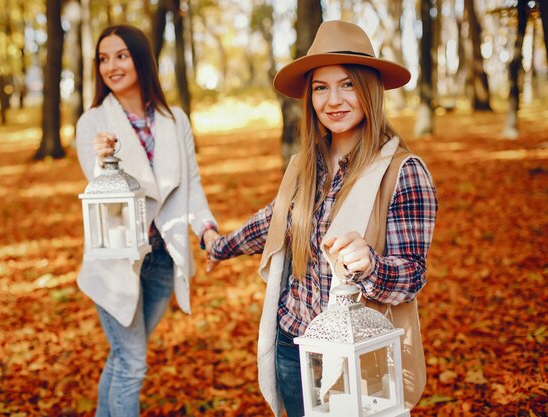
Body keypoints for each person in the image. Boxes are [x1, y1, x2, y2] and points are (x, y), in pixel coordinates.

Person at [207, 20, 438, 417]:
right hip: (291, 346)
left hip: (355, 357)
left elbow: (411, 277)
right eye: (320, 87)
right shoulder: (305, 167)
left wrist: (371, 265)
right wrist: (218, 245)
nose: (333, 99)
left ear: (371, 90)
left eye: (347, 84)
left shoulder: (403, 172)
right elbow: (272, 223)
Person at [75, 25, 219, 417]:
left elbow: (191, 184)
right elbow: (101, 185)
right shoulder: (93, 123)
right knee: (133, 363)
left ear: (141, 59)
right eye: (103, 59)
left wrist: (205, 227)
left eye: (121, 55)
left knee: (124, 359)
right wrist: (103, 159)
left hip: (162, 257)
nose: (111, 66)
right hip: (116, 260)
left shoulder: (175, 120)